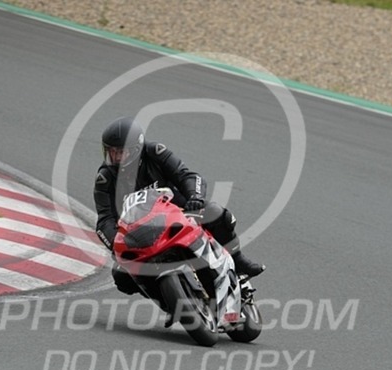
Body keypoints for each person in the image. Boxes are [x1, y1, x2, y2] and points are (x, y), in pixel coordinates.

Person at [93, 116, 265, 295]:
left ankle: (238, 261)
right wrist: (116, 243)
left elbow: (187, 176)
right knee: (121, 277)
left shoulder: (155, 153)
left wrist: (195, 197)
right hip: (140, 234)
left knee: (216, 213)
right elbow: (104, 220)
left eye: (121, 152)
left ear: (136, 148)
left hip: (178, 213)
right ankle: (165, 298)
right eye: (111, 152)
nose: (115, 157)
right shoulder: (105, 178)